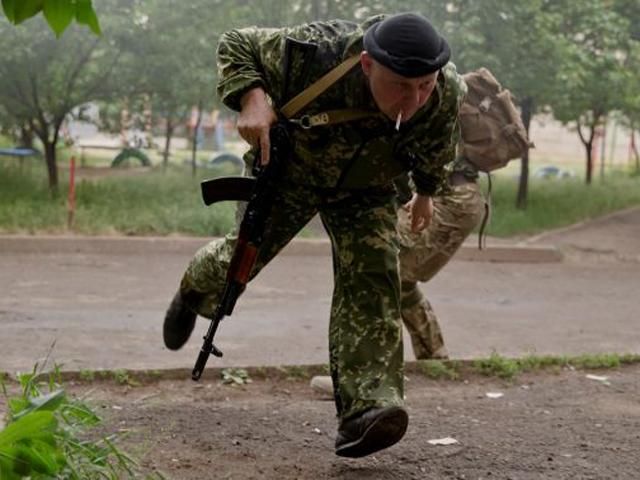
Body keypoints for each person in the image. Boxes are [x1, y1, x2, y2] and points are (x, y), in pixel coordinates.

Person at [163, 12, 466, 458]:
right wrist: (252, 97)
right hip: (290, 172)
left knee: (375, 277)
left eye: (425, 84)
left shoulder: (443, 90)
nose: (415, 98)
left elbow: (439, 138)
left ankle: (369, 407)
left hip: (366, 185)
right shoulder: (313, 51)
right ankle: (193, 290)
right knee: (241, 259)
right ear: (367, 64)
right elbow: (235, 42)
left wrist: (426, 192)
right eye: (402, 85)